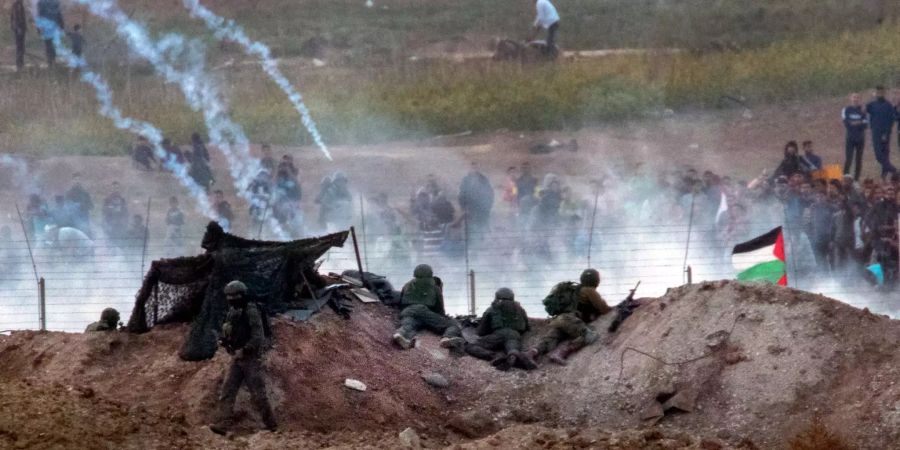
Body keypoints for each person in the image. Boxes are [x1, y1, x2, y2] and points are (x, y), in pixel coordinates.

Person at [211, 280, 277, 434]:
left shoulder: (251, 310)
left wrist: (245, 350)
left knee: (258, 394)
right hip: (237, 357)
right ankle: (222, 424)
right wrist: (224, 339)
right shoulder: (233, 311)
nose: (230, 299)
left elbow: (258, 337)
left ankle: (272, 425)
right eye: (228, 296)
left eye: (233, 296)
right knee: (228, 390)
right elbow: (230, 330)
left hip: (251, 358)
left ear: (241, 295)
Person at [526, 269, 611, 365]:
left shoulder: (574, 291)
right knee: (589, 335)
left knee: (550, 339)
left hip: (558, 320)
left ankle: (532, 353)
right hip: (570, 320)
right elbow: (604, 309)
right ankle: (561, 353)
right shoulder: (588, 290)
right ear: (596, 280)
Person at [392, 264, 464, 353]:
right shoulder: (434, 287)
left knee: (409, 324)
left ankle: (402, 335)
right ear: (430, 273)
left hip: (407, 311)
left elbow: (401, 301)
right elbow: (440, 309)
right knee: (452, 324)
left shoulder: (407, 284)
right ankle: (447, 337)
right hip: (425, 312)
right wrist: (442, 318)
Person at [464, 288, 537, 371]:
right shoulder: (520, 309)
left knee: (470, 346)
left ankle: (495, 356)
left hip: (499, 334)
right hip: (515, 334)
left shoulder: (492, 308)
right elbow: (526, 326)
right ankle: (513, 354)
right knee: (513, 347)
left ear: (497, 296)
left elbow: (481, 331)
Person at [865, 86, 897, 178]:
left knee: (885, 155)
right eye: (878, 92)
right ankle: (894, 170)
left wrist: (886, 134)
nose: (880, 94)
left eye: (881, 92)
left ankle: (884, 176)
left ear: (884, 93)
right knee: (879, 156)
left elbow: (891, 121)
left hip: (885, 134)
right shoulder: (871, 105)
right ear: (876, 93)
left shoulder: (888, 105)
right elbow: (864, 109)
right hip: (875, 133)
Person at [458, 161, 495, 237]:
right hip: (469, 208)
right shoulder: (466, 180)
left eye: (475, 167)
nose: (474, 169)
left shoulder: (484, 179)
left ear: (478, 168)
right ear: (470, 169)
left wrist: (488, 206)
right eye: (472, 168)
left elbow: (490, 192)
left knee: (481, 227)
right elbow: (462, 193)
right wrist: (463, 207)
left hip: (482, 208)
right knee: (470, 227)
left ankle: (481, 242)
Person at [842, 93, 868, 180]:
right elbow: (846, 123)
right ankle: (845, 177)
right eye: (854, 97)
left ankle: (856, 179)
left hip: (860, 138)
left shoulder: (863, 110)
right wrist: (859, 122)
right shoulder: (846, 109)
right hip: (850, 138)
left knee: (858, 159)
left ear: (859, 99)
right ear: (850, 99)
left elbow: (865, 125)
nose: (855, 99)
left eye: (857, 97)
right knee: (848, 158)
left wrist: (854, 123)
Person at [36, 0, 63, 67]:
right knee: (52, 44)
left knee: (48, 44)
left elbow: (40, 15)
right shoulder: (55, 2)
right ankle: (52, 60)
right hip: (53, 26)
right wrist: (62, 25)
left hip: (47, 27)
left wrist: (39, 28)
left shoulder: (41, 3)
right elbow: (59, 14)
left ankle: (50, 61)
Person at [11, 0, 27, 72]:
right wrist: (19, 28)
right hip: (19, 29)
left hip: (18, 29)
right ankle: (20, 65)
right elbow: (17, 17)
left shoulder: (17, 4)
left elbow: (13, 18)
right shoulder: (18, 5)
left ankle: (20, 63)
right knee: (20, 47)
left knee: (20, 47)